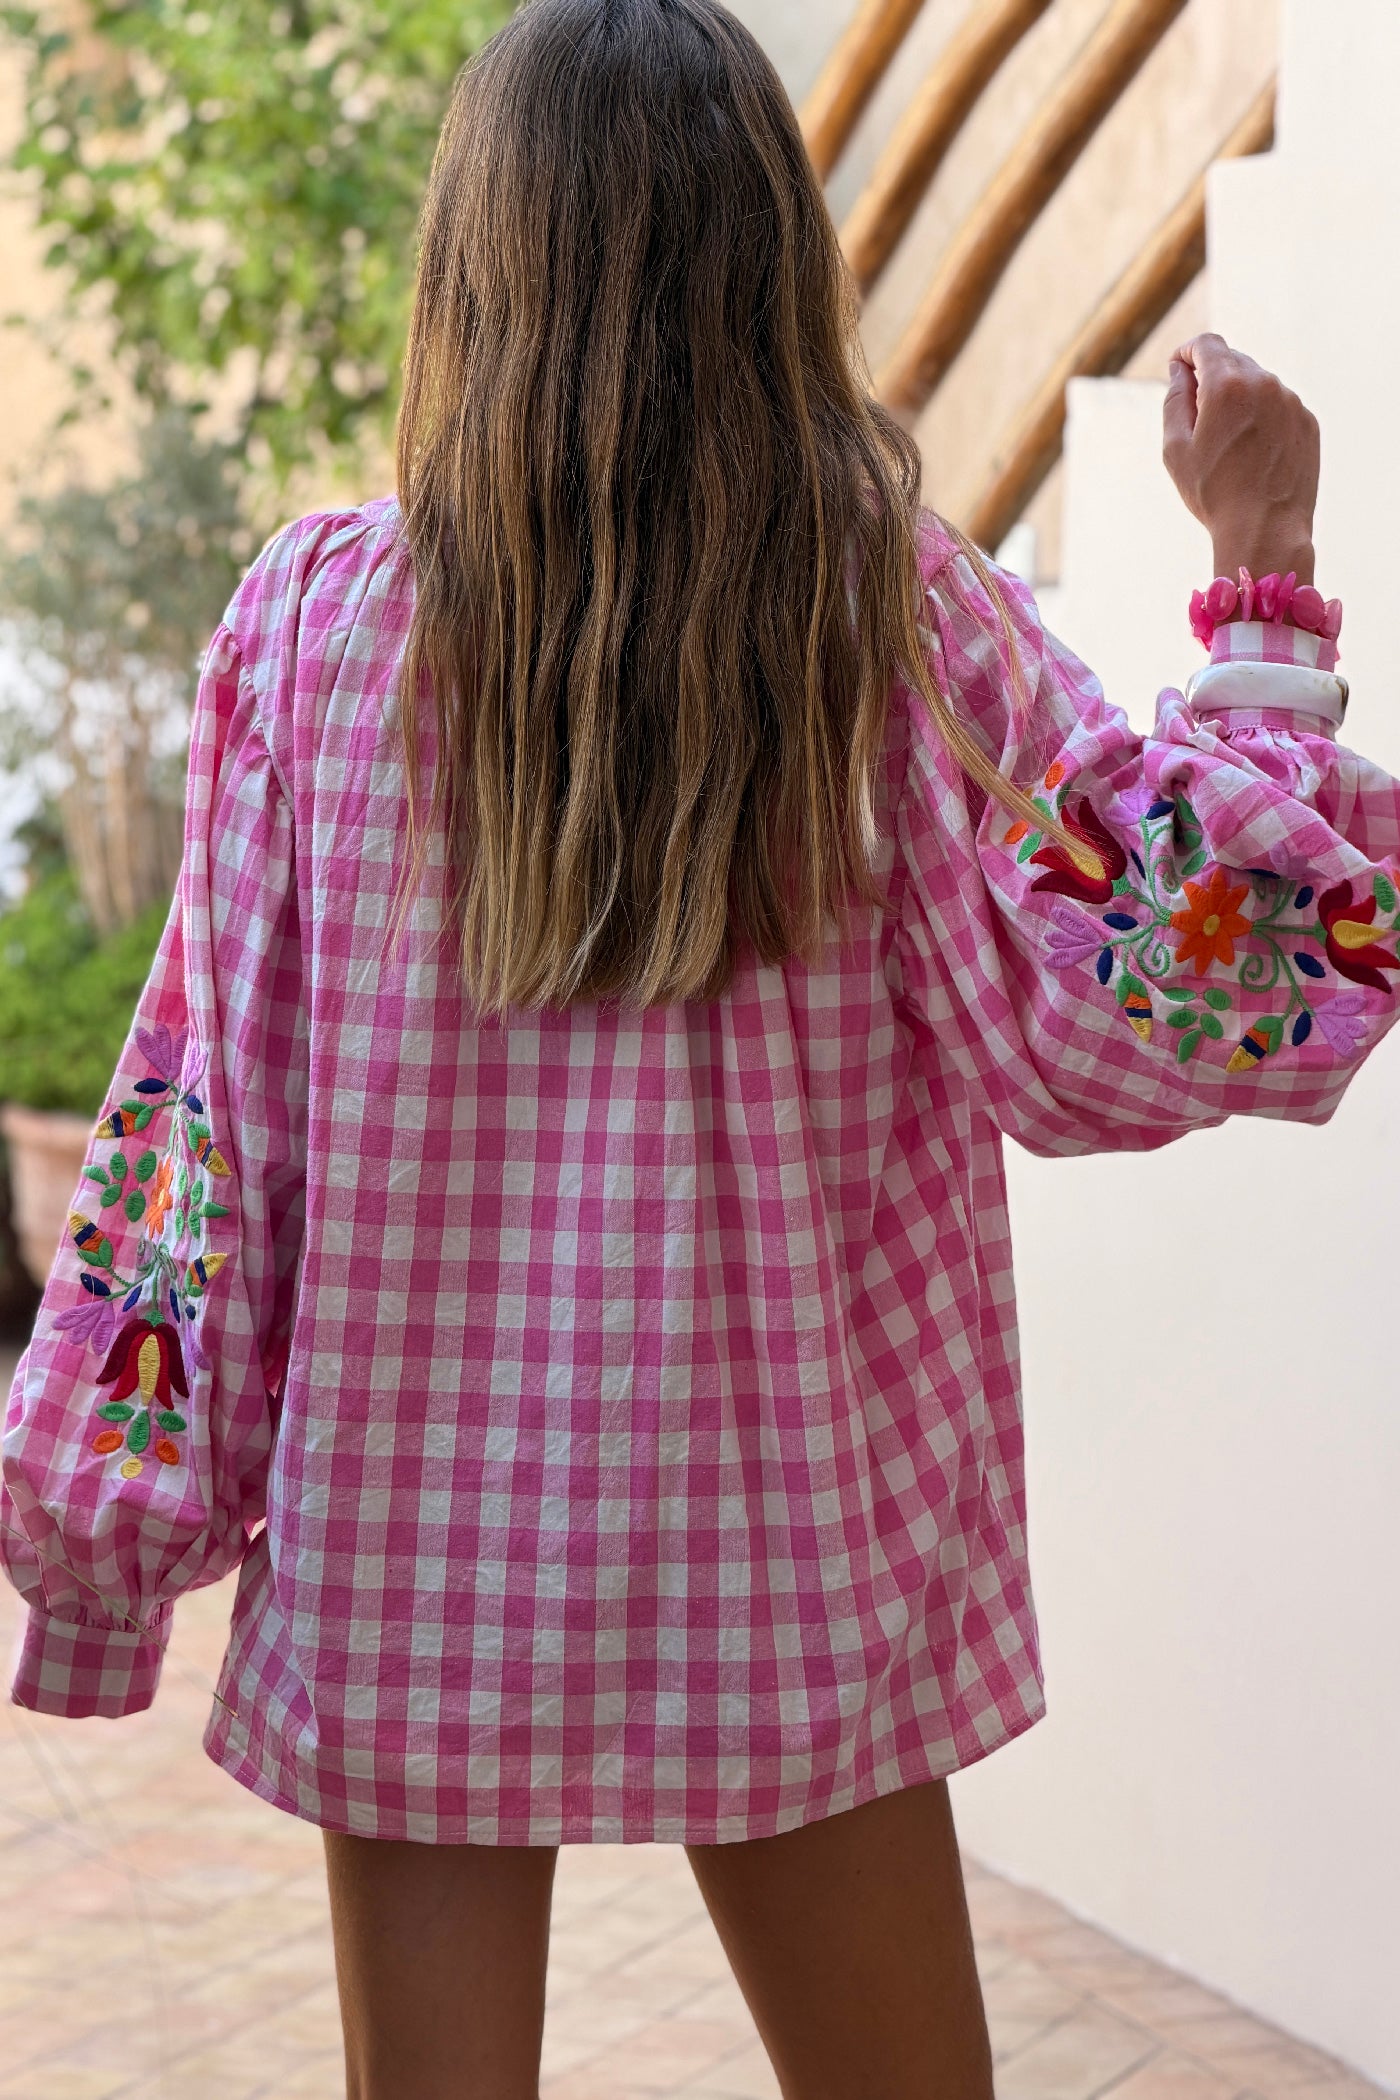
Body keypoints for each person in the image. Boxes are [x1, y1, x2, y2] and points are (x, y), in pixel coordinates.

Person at [2, 1, 1395, 2095]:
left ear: (476, 261)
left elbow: (202, 1134)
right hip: (791, 1542)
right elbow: (1135, 996)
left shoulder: (308, 621)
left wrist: (107, 1538)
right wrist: (1261, 574)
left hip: (409, 1541)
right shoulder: (882, 615)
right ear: (764, 258)